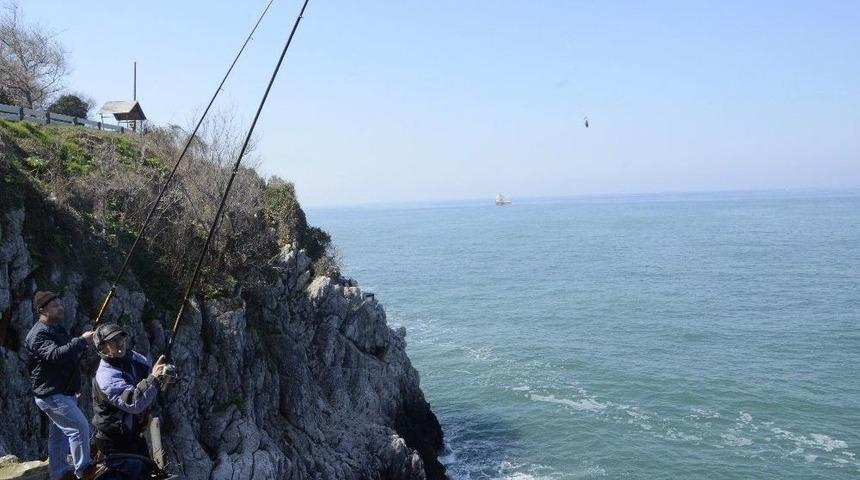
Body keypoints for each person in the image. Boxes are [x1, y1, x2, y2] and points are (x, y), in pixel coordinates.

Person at [24, 291, 95, 480]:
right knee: (79, 427)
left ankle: (58, 473)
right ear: (42, 310)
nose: (61, 307)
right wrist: (81, 341)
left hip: (62, 391)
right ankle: (84, 470)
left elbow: (66, 353)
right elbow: (55, 355)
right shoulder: (38, 334)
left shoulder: (56, 329)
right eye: (55, 305)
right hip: (52, 394)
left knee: (59, 436)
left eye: (60, 304)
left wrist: (80, 342)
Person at [91, 323, 171, 479]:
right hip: (114, 440)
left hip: (133, 434)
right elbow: (133, 403)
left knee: (146, 471)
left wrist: (161, 377)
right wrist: (153, 379)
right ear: (102, 348)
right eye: (112, 341)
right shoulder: (106, 376)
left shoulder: (136, 358)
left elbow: (147, 384)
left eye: (120, 337)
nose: (119, 343)